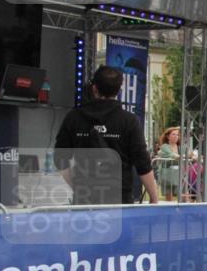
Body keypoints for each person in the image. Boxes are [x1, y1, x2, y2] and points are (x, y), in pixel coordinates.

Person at [54, 65, 159, 205]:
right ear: (119, 90)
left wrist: (75, 184)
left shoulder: (74, 118)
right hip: (119, 196)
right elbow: (142, 162)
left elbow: (60, 157)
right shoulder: (129, 120)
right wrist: (154, 197)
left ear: (94, 88)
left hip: (84, 195)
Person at [156, 127, 182, 202]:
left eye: (177, 135)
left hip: (179, 175)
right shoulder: (165, 146)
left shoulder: (181, 147)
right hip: (167, 175)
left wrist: (193, 156)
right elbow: (172, 155)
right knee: (169, 198)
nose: (176, 136)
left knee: (183, 195)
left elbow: (190, 154)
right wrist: (181, 156)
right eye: (173, 134)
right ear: (168, 136)